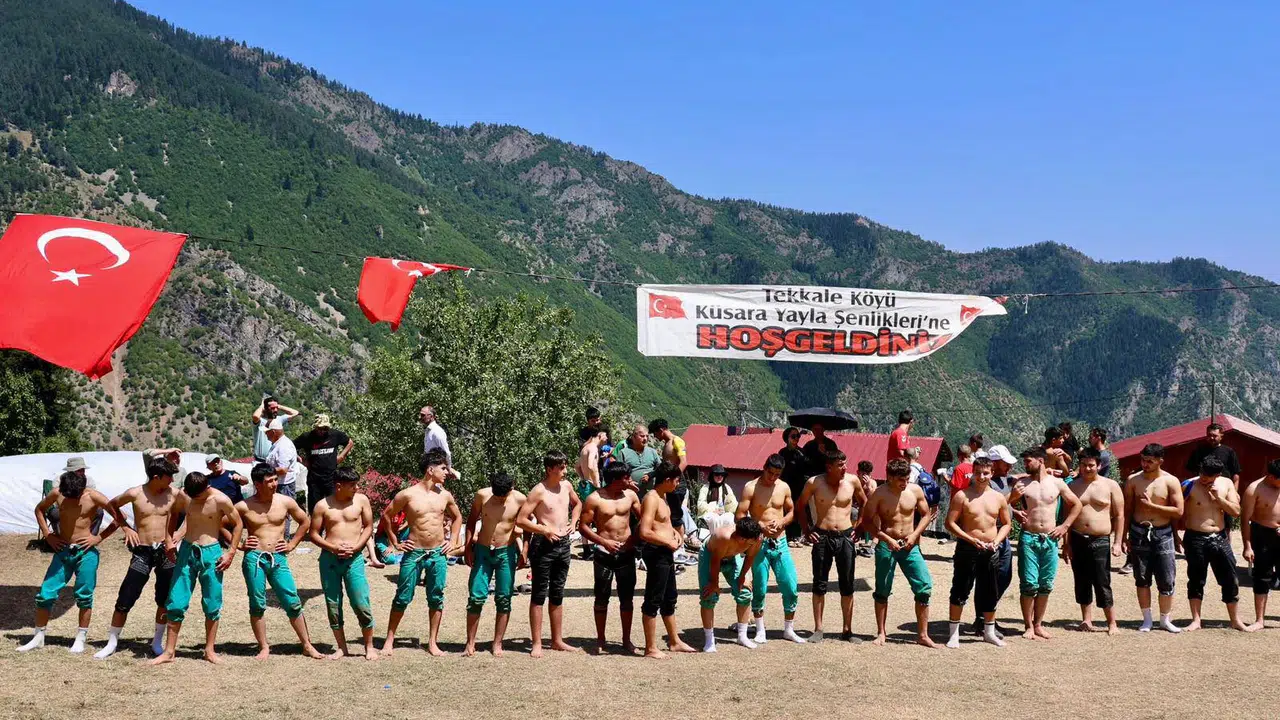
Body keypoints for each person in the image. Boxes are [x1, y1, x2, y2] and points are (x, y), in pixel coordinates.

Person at [19, 471, 125, 654]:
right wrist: (48, 535)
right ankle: (38, 637)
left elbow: (120, 517)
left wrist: (98, 538)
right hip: (63, 551)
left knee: (84, 595)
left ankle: (80, 638)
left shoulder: (94, 496)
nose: (69, 498)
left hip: (86, 553)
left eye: (74, 496)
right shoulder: (57, 492)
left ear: (82, 489)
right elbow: (39, 510)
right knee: (45, 594)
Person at [150, 472, 243, 665]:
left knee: (212, 602)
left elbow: (238, 524)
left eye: (199, 496)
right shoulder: (185, 496)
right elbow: (173, 514)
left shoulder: (221, 499)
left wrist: (231, 552)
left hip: (211, 552)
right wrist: (169, 540)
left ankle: (209, 650)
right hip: (187, 551)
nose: (196, 499)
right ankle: (169, 651)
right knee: (176, 601)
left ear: (207, 487)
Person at [233, 463, 323, 659]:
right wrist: (239, 544)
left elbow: (305, 521)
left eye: (275, 479)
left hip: (278, 557)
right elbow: (222, 524)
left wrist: (292, 544)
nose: (274, 484)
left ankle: (307, 645)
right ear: (258, 484)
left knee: (292, 601)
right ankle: (264, 647)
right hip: (254, 558)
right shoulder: (243, 506)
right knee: (257, 603)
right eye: (269, 481)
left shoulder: (285, 501)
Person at [94, 458, 182, 660]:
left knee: (165, 598)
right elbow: (112, 505)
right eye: (169, 477)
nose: (172, 480)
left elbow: (194, 510)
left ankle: (157, 642)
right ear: (156, 477)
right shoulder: (135, 493)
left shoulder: (175, 494)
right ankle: (112, 643)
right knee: (126, 596)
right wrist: (126, 528)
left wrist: (180, 533)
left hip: (166, 551)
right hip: (142, 550)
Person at [380, 449, 463, 657]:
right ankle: (389, 640)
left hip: (437, 554)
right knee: (402, 597)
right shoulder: (407, 494)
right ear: (430, 470)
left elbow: (458, 518)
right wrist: (395, 542)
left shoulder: (445, 495)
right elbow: (386, 515)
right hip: (414, 553)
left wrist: (452, 541)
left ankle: (432, 642)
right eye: (443, 468)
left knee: (436, 598)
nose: (447, 472)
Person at [1008, 448, 1081, 640]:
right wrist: (1015, 509)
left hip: (1050, 538)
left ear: (1040, 461)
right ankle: (1028, 626)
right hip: (1029, 537)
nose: (1025, 465)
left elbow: (1077, 504)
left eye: (1028, 461)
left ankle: (1038, 624)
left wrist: (1065, 526)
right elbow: (1002, 504)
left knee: (1046, 584)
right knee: (1029, 584)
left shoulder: (1056, 483)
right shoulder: (1022, 484)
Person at [516, 449, 583, 658]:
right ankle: (536, 643)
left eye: (565, 466)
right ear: (549, 469)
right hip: (543, 545)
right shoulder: (538, 491)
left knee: (557, 592)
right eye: (561, 467)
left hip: (563, 544)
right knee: (538, 594)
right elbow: (521, 519)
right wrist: (543, 529)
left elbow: (578, 504)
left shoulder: (567, 486)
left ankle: (557, 640)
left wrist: (574, 522)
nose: (565, 471)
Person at [796, 449, 867, 642]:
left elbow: (865, 503)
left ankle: (847, 630)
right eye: (840, 465)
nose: (845, 468)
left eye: (845, 463)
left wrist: (859, 527)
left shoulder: (852, 481)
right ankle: (818, 629)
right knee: (819, 584)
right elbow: (800, 505)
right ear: (829, 467)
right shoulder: (814, 482)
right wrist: (807, 530)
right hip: (822, 536)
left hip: (845, 536)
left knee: (847, 584)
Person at [864, 458, 935, 647]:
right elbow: (867, 522)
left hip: (910, 546)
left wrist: (915, 535)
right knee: (882, 589)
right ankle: (881, 633)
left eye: (907, 479)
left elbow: (926, 515)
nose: (904, 483)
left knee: (924, 586)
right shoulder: (879, 494)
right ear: (889, 477)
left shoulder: (915, 490)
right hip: (887, 546)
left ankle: (923, 635)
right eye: (900, 480)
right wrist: (887, 539)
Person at [736, 454, 805, 644]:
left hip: (780, 542)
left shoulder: (784, 487)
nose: (773, 477)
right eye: (770, 473)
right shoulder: (751, 487)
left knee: (790, 586)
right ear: (764, 467)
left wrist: (782, 521)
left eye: (777, 474)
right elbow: (740, 515)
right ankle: (760, 629)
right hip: (760, 543)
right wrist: (760, 526)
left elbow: (792, 511)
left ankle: (788, 629)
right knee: (760, 587)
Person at [310, 467, 378, 660]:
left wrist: (357, 547)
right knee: (333, 604)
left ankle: (369, 647)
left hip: (354, 559)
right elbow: (313, 534)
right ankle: (342, 647)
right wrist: (332, 548)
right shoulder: (322, 505)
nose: (356, 488)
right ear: (339, 486)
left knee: (360, 602)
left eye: (357, 484)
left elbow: (368, 527)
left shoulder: (361, 501)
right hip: (329, 560)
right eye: (352, 485)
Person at [945, 456, 1011, 648]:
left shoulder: (998, 497)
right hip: (967, 548)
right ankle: (954, 634)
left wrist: (997, 542)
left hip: (991, 549)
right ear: (972, 473)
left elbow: (1006, 524)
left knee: (990, 591)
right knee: (960, 589)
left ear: (992, 473)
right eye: (978, 473)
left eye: (986, 473)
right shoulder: (962, 496)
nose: (981, 477)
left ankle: (989, 632)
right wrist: (970, 539)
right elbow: (950, 523)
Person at [578, 462, 641, 655]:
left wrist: (634, 540)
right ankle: (600, 639)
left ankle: (626, 640)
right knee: (601, 597)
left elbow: (645, 519)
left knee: (627, 598)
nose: (629, 480)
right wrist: (604, 542)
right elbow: (583, 526)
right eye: (626, 477)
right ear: (615, 479)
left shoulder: (630, 495)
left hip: (626, 553)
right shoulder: (594, 498)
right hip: (604, 553)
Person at [1181, 456, 1249, 632]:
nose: (1203, 478)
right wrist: (1175, 535)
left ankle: (1235, 620)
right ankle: (1196, 620)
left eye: (1208, 476)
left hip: (1219, 537)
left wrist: (1219, 499)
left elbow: (1236, 511)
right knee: (1196, 579)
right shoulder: (1189, 485)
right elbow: (1177, 510)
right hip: (1195, 537)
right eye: (1202, 473)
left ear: (1217, 475)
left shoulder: (1226, 484)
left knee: (1230, 579)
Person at [463, 472, 526, 657]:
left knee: (504, 598)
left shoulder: (520, 499)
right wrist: (468, 548)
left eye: (503, 496)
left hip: (506, 552)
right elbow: (471, 521)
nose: (499, 499)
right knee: (476, 598)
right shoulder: (482, 495)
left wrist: (525, 550)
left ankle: (497, 643)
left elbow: (526, 525)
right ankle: (470, 643)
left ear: (511, 488)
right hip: (483, 551)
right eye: (496, 495)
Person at [1122, 443, 1184, 633]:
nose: (1145, 464)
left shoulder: (1170, 481)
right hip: (1139, 532)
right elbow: (1127, 510)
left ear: (1160, 461)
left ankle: (1165, 619)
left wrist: (1153, 507)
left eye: (1149, 461)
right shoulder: (1133, 480)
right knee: (1142, 578)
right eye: (1143, 460)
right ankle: (1147, 619)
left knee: (1166, 579)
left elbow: (1178, 511)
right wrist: (1123, 536)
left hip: (1163, 533)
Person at [638, 461, 696, 658]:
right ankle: (650, 648)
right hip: (656, 552)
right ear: (667, 479)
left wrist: (676, 535)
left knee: (670, 597)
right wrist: (667, 542)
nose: (678, 484)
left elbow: (664, 523)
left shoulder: (664, 496)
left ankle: (674, 641)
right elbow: (644, 531)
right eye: (676, 480)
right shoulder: (651, 498)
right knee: (653, 598)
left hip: (666, 552)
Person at [1065, 448, 1124, 634]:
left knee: (1102, 580)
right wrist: (1066, 544)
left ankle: (1112, 623)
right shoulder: (1073, 486)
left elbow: (1119, 515)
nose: (1087, 468)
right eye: (1083, 465)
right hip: (1078, 537)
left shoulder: (1111, 485)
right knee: (1081, 580)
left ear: (1099, 465)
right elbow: (1067, 517)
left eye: (1091, 465)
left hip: (1100, 539)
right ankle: (1086, 620)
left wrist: (1117, 542)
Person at [698, 516, 764, 652]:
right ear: (741, 538)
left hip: (733, 557)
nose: (754, 542)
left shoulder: (757, 538)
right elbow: (715, 560)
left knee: (745, 592)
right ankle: (709, 640)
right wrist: (714, 583)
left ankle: (742, 636)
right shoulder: (724, 536)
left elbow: (750, 557)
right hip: (710, 556)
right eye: (750, 542)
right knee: (709, 595)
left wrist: (742, 576)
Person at [1242, 459, 1280, 631]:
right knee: (1262, 578)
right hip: (1263, 535)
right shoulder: (1254, 489)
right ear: (1271, 477)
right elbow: (1245, 520)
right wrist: (1247, 546)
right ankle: (1259, 620)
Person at [294, 414, 354, 516]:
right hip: (314, 479)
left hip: (331, 478)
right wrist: (301, 460)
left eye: (325, 428)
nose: (322, 431)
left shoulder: (335, 434)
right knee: (315, 508)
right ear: (315, 427)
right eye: (320, 428)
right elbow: (291, 447)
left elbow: (350, 442)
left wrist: (341, 456)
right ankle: (316, 525)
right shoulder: (307, 437)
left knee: (333, 507)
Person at [264, 417, 301, 535]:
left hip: (284, 485)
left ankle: (283, 538)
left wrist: (265, 472)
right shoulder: (278, 444)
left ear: (273, 432)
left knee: (283, 512)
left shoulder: (283, 446)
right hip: (279, 484)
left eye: (267, 432)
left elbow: (283, 469)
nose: (265, 434)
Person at [1185, 422, 1243, 493]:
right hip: (1201, 489)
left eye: (1215, 436)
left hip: (1222, 489)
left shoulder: (1229, 452)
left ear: (1221, 436)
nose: (1211, 438)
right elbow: (1190, 471)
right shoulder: (1198, 451)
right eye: (1209, 435)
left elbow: (1236, 474)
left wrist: (1234, 492)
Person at [779, 428, 809, 545]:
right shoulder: (782, 453)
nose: (796, 439)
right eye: (793, 436)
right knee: (786, 509)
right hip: (785, 486)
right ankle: (787, 535)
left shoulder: (802, 452)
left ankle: (796, 535)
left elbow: (806, 469)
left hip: (799, 487)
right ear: (787, 438)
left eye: (798, 436)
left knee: (798, 510)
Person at [612, 425, 661, 494]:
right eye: (642, 436)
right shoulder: (623, 453)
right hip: (630, 493)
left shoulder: (652, 452)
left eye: (647, 436)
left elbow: (661, 468)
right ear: (633, 437)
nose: (645, 439)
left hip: (651, 493)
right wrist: (629, 481)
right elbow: (618, 472)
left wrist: (650, 475)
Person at [252, 395, 299, 462]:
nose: (275, 410)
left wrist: (278, 406)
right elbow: (255, 416)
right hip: (260, 461)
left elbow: (295, 413)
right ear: (266, 408)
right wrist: (262, 406)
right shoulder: (260, 421)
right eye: (272, 408)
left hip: (274, 462)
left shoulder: (279, 419)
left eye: (276, 408)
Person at [696, 464, 738, 532]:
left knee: (730, 517)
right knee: (714, 518)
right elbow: (700, 505)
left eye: (722, 475)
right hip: (709, 513)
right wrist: (713, 510)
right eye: (717, 474)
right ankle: (715, 537)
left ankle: (727, 537)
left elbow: (734, 503)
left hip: (724, 513)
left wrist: (726, 510)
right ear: (712, 476)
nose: (719, 477)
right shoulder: (705, 488)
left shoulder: (727, 488)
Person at [420, 405, 455, 471]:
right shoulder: (429, 431)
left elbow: (446, 452)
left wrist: (448, 468)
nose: (420, 417)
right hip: (431, 469)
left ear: (431, 416)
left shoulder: (437, 431)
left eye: (423, 415)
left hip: (437, 469)